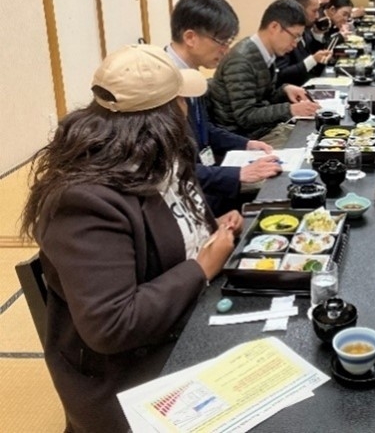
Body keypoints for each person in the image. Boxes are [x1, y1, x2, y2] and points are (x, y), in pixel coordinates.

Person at [20, 45, 241, 433]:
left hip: (185, 322)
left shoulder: (161, 158)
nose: (187, 111)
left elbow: (174, 235)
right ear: (164, 116)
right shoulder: (84, 200)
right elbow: (112, 324)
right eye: (180, 102)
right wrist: (202, 266)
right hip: (128, 375)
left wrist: (212, 230)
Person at [166, 0, 281, 215]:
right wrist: (237, 174)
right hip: (183, 201)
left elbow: (203, 128)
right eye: (221, 41)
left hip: (206, 182)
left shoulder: (191, 72)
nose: (226, 50)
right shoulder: (162, 82)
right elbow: (169, 169)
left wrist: (245, 144)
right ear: (190, 37)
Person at [208, 0, 320, 143]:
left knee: (317, 134)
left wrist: (285, 89)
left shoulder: (265, 53)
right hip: (245, 139)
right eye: (295, 36)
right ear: (274, 27)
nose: (295, 44)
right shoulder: (241, 60)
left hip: (263, 131)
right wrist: (290, 110)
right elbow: (246, 116)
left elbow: (264, 98)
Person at [276, 0, 333, 87]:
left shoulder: (306, 30)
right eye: (314, 11)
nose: (316, 16)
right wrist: (312, 60)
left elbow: (315, 63)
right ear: (300, 9)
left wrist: (318, 35)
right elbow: (281, 75)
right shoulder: (284, 34)